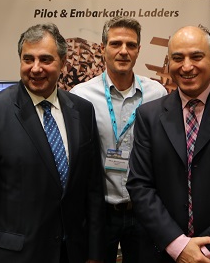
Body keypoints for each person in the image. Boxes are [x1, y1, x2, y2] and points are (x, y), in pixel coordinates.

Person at [0, 23, 105, 263]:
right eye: (28, 59)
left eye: (45, 59)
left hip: (73, 254)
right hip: (17, 256)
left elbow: (93, 189)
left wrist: (94, 253)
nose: (36, 68)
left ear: (63, 62)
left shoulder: (82, 110)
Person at [126, 25, 210, 263]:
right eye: (178, 58)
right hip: (165, 252)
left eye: (196, 56)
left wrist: (205, 249)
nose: (187, 66)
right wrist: (179, 246)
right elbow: (140, 186)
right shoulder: (148, 116)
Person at [70, 17, 167, 263]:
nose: (124, 51)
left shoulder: (157, 93)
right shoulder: (81, 96)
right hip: (100, 212)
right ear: (103, 48)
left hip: (143, 210)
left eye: (131, 45)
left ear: (138, 50)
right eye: (116, 44)